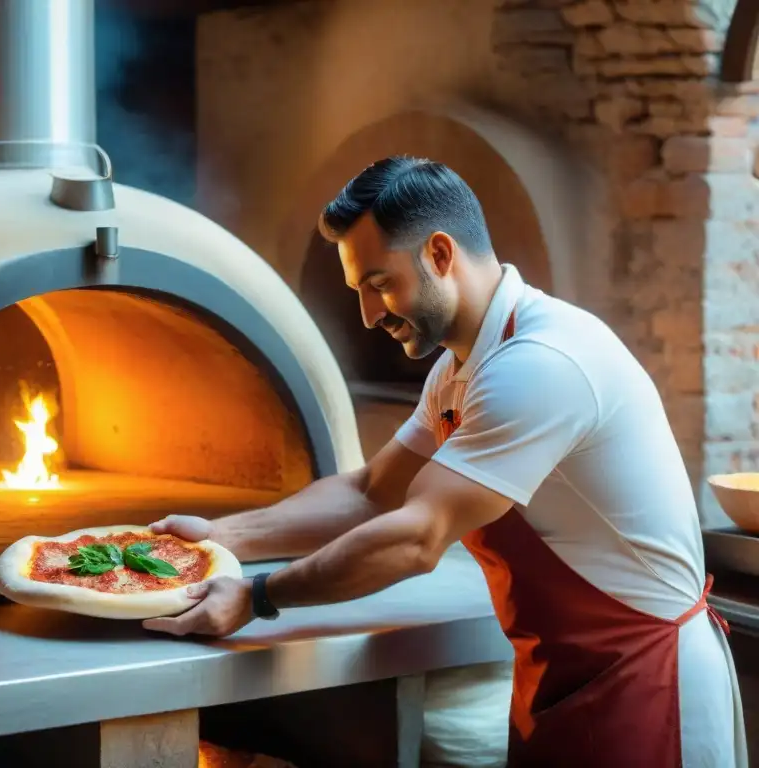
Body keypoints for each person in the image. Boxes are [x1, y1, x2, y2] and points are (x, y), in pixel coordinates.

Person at [142, 156, 746, 767]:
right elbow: (370, 493)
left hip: (647, 690)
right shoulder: (461, 368)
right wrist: (218, 538)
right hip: (562, 679)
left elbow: (417, 537)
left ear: (438, 253)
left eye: (378, 284)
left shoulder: (540, 363)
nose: (368, 315)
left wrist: (256, 596)